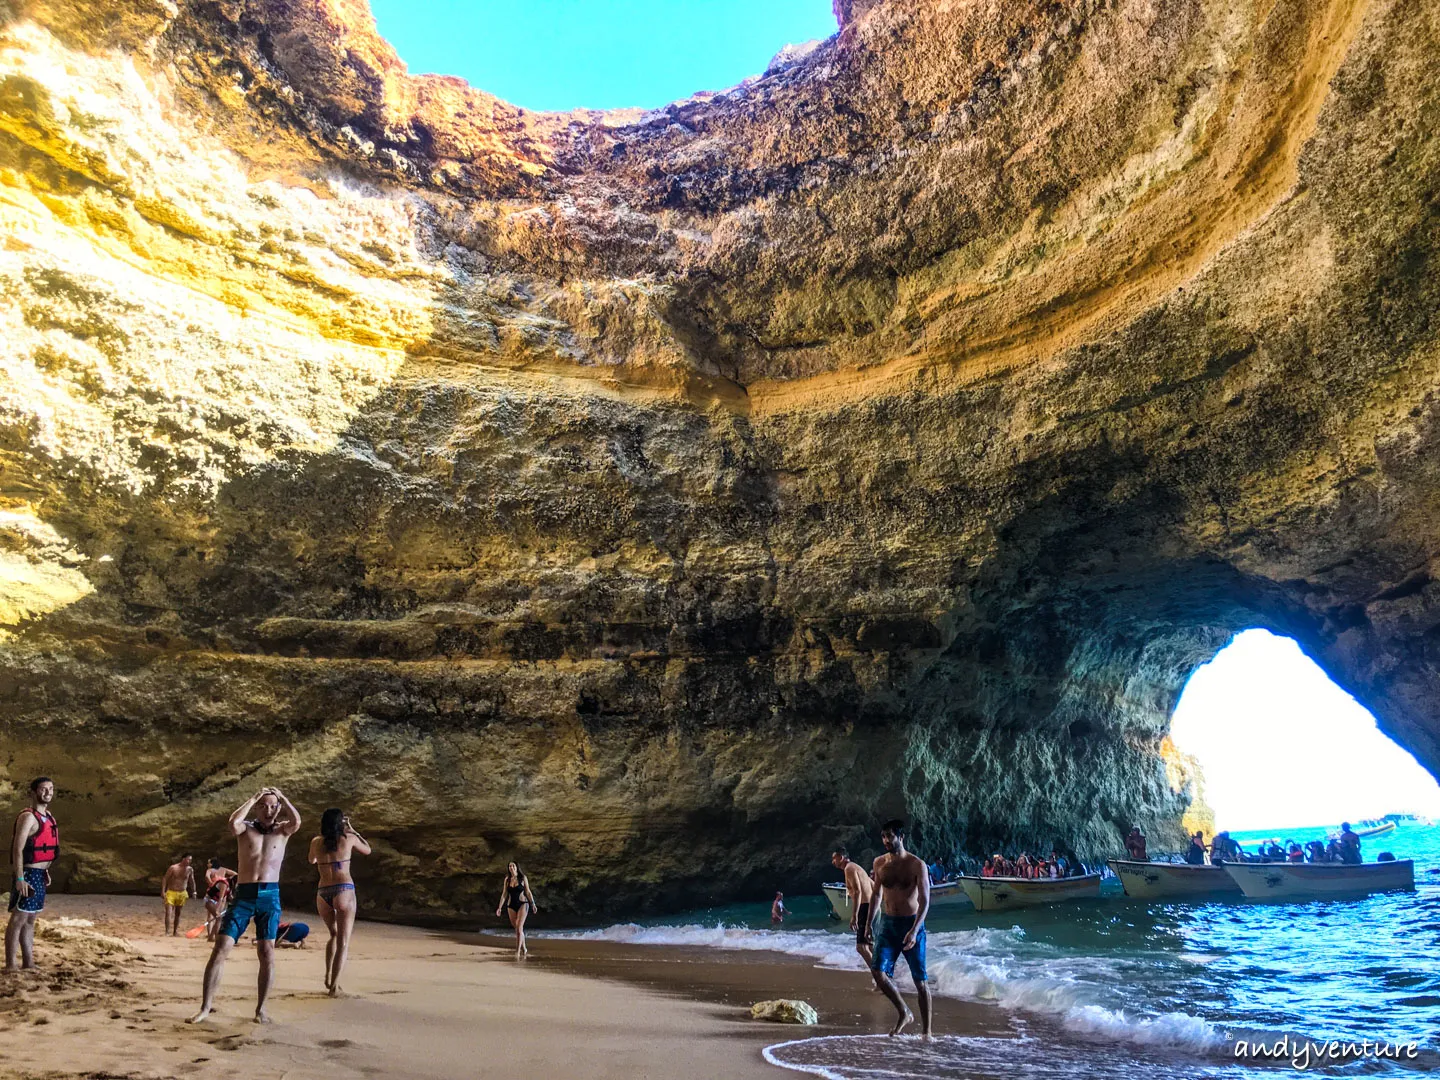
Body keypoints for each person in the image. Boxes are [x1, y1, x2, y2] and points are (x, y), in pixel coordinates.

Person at [188, 787, 302, 1024]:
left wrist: (283, 799)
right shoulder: (245, 829)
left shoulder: (283, 831)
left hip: (270, 895)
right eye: (264, 806)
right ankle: (205, 1007)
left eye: (273, 806)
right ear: (258, 808)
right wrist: (253, 798)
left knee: (267, 951)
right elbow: (233, 822)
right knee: (221, 947)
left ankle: (261, 1010)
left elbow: (296, 821)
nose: (269, 810)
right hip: (245, 894)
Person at [869, 819, 932, 1038]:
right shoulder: (879, 863)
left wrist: (915, 930)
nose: (886, 840)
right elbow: (876, 894)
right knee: (878, 971)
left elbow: (925, 900)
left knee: (920, 980)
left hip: (911, 923)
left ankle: (927, 1032)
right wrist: (870, 923)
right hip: (888, 923)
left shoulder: (916, 864)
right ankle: (903, 1011)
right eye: (883, 836)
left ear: (901, 837)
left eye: (890, 836)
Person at [308, 808, 370, 996]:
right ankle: (334, 987)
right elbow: (367, 850)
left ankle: (328, 977)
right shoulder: (349, 838)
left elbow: (311, 860)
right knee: (343, 941)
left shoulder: (316, 842)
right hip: (344, 889)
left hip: (323, 892)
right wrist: (354, 830)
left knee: (333, 935)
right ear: (341, 822)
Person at [6, 777, 58, 973]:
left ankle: (28, 963)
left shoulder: (48, 816)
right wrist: (20, 878)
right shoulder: (28, 817)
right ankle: (11, 964)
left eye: (51, 789)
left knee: (30, 920)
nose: (48, 793)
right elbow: (17, 850)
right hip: (27, 874)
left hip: (39, 874)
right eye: (43, 789)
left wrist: (45, 870)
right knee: (19, 918)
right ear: (34, 792)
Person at [831, 847, 875, 966]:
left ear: (841, 857)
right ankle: (887, 973)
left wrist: (854, 916)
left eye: (834, 859)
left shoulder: (849, 868)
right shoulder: (857, 867)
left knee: (861, 947)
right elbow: (874, 886)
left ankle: (880, 976)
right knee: (870, 945)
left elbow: (857, 892)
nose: (832, 862)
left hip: (865, 907)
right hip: (872, 907)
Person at [495, 862, 537, 958]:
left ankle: (517, 952)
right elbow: (504, 894)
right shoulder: (507, 879)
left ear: (517, 867)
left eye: (513, 865)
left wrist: (533, 904)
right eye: (510, 866)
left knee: (519, 927)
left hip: (523, 904)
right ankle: (524, 948)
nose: (511, 867)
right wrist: (499, 907)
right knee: (517, 929)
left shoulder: (523, 878)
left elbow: (528, 892)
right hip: (511, 905)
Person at [161, 855, 197, 936]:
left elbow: (192, 881)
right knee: (168, 912)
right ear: (183, 859)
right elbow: (165, 878)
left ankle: (175, 931)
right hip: (171, 892)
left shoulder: (190, 869)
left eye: (190, 860)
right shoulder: (173, 868)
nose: (189, 861)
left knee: (178, 913)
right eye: (188, 860)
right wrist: (163, 891)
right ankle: (167, 931)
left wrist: (194, 891)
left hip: (182, 892)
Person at [203, 858, 237, 941]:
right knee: (217, 916)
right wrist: (213, 885)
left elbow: (207, 877)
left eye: (208, 863)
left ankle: (211, 936)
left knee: (217, 917)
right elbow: (235, 874)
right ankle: (215, 936)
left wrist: (211, 883)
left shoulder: (211, 871)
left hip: (220, 895)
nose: (208, 865)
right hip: (213, 897)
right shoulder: (223, 877)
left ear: (212, 863)